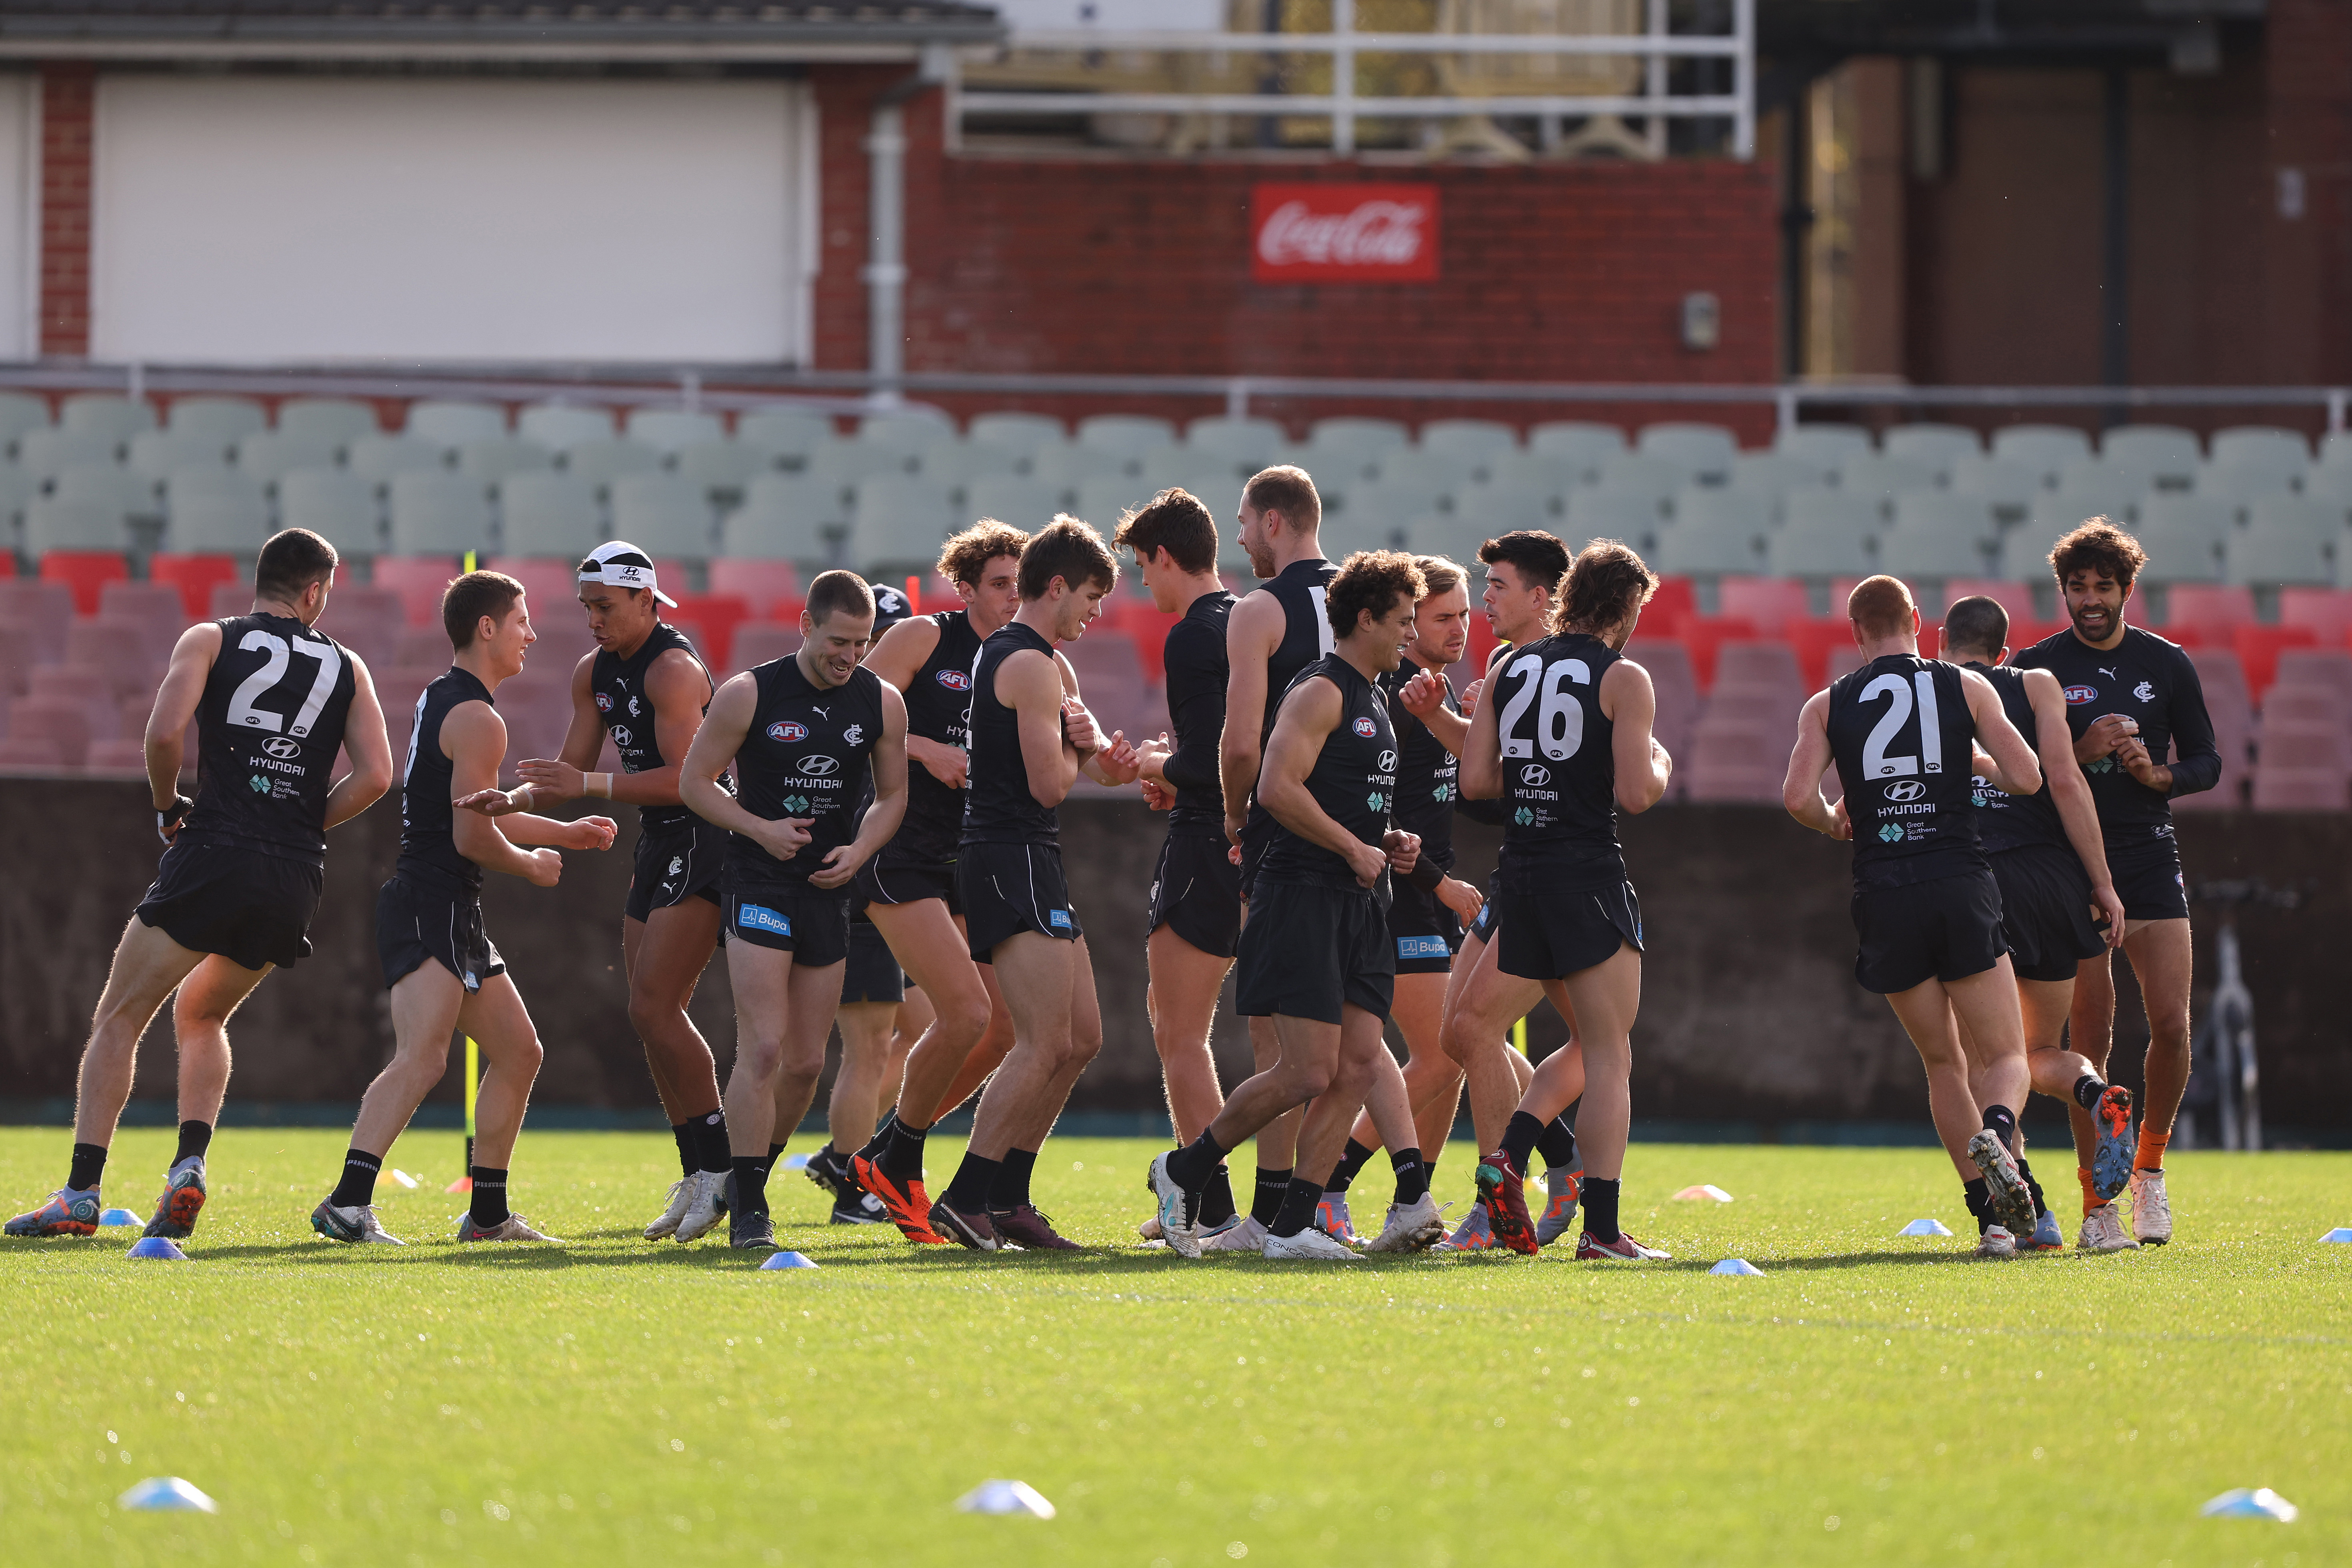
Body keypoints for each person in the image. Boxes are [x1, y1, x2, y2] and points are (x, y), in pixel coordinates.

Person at [6, 530, 394, 1240]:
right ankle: (188, 1165)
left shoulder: (211, 638)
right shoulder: (349, 665)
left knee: (121, 1014)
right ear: (313, 592)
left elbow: (162, 737)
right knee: (204, 1014)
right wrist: (306, 823)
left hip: (213, 849)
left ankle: (82, 1193)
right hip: (292, 871)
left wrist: (166, 809)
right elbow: (376, 776)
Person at [1148, 550, 1444, 1261]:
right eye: (1402, 621)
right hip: (1303, 894)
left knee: (1357, 1064)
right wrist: (1350, 846)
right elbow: (1276, 788)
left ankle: (1291, 1227)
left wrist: (1389, 842)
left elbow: (1342, 799)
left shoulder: (1376, 695)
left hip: (1359, 897)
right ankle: (1183, 1169)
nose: (1410, 635)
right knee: (1307, 1071)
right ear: (1365, 618)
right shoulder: (1320, 690)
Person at [313, 571, 616, 1246]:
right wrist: (535, 864)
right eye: (521, 622)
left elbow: (480, 809)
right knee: (423, 1058)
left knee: (519, 1052)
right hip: (431, 903)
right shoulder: (481, 717)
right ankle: (347, 1204)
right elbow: (471, 835)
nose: (531, 635)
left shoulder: (447, 698)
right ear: (487, 628)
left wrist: (565, 833)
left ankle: (486, 1215)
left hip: (448, 906)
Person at [459, 542, 735, 1244]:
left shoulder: (673, 669)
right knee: (648, 1014)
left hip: (707, 837)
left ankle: (720, 1171)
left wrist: (590, 788)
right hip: (662, 840)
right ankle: (695, 1170)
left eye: (605, 606)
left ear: (647, 599)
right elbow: (570, 765)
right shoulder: (596, 671)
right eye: (587, 607)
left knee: (656, 1004)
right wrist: (514, 797)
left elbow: (690, 780)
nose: (593, 620)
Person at [1783, 575, 2043, 1258]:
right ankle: (1998, 1131)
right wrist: (1978, 761)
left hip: (1885, 891)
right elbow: (2028, 777)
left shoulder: (1827, 702)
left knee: (1941, 1063)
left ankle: (1990, 1221)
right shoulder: (1966, 686)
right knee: (2008, 1054)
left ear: (1855, 633)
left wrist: (1836, 823)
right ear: (1919, 623)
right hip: (1958, 880)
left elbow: (1795, 797)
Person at [910, 517, 1139, 1250]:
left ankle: (1009, 1197)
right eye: (1091, 599)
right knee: (1042, 1042)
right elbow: (1050, 785)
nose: (1094, 616)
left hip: (1026, 856)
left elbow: (1092, 763)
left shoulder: (1033, 659)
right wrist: (1078, 751)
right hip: (1010, 854)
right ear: (1058, 586)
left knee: (1081, 1039)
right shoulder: (1031, 663)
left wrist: (1110, 757)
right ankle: (970, 1195)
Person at [1450, 540, 1672, 1261]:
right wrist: (1661, 762)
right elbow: (1638, 794)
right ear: (1627, 605)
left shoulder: (1512, 667)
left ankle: (1509, 1154)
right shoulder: (1624, 677)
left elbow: (1477, 782)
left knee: (1583, 1042)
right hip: (1586, 874)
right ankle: (1603, 1234)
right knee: (1610, 1056)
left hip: (1522, 877)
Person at [678, 570, 909, 1250]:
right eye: (839, 640)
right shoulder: (750, 692)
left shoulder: (882, 702)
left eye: (863, 643)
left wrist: (862, 847)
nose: (851, 656)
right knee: (767, 1046)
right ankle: (751, 1206)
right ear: (806, 626)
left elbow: (893, 797)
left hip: (831, 891)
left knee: (807, 1063)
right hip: (758, 883)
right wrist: (759, 829)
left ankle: (742, 1177)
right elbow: (696, 783)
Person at [2009, 521, 2219, 1246]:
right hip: (2072, 866)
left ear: (2128, 590)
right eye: (2077, 587)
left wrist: (2158, 775)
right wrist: (2080, 746)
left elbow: (2207, 761)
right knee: (2087, 1040)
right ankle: (2100, 1204)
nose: (2090, 600)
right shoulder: (2034, 669)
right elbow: (2016, 777)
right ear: (2063, 591)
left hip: (2149, 856)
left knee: (2170, 1024)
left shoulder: (2167, 663)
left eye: (2103, 587)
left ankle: (2151, 1175)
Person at [844, 523, 1030, 1243]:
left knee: (1003, 1027)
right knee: (965, 1014)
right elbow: (853, 711)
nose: (1012, 597)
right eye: (998, 583)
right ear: (965, 586)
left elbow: (1076, 760)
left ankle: (886, 1154)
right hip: (900, 850)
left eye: (1020, 583)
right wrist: (925, 750)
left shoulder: (1026, 660)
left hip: (970, 861)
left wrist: (1115, 758)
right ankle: (896, 1160)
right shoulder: (927, 636)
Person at [1939, 596, 2137, 1252]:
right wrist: (2103, 882)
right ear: (2005, 650)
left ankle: (2034, 1214)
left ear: (1943, 641)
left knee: (1985, 1062)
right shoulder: (2038, 684)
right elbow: (2067, 782)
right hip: (2053, 881)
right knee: (2038, 1051)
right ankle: (2093, 1091)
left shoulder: (1930, 689)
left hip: (1977, 882)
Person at [1315, 555, 1486, 1240]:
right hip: (1405, 897)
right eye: (1441, 617)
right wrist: (1439, 883)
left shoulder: (1439, 696)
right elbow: (1374, 820)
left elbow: (1466, 799)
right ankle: (1329, 1187)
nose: (1458, 629)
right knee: (1444, 1055)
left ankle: (1411, 1204)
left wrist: (1474, 730)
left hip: (1432, 895)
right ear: (1406, 623)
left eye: (1466, 615)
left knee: (1446, 1060)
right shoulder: (1386, 699)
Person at [1433, 530, 1588, 1252]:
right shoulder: (1504, 666)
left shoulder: (1577, 667)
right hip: (1516, 870)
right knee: (1455, 1032)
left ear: (1540, 597)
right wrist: (1452, 721)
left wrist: (1447, 723)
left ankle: (1501, 1206)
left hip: (1558, 877)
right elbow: (1490, 783)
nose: (1483, 600)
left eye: (1495, 586)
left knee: (1476, 1030)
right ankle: (1558, 1160)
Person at [1212, 465, 1337, 1249]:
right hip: (1356, 834)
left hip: (1287, 835)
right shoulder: (1362, 595)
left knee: (1277, 1031)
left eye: (1245, 522)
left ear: (1276, 524)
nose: (1240, 536)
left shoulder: (1260, 608)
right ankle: (1298, 1211)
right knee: (1347, 1029)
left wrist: (1235, 816)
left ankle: (1270, 1211)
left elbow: (1239, 742)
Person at [1120, 489, 1247, 1240]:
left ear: (1166, 557)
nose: (1146, 585)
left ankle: (1212, 1204)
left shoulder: (1195, 634)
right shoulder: (1252, 620)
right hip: (1254, 843)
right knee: (1185, 1021)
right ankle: (1248, 1203)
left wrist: (1158, 763)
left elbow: (1211, 761)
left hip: (1207, 842)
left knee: (1179, 1034)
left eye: (1144, 568)